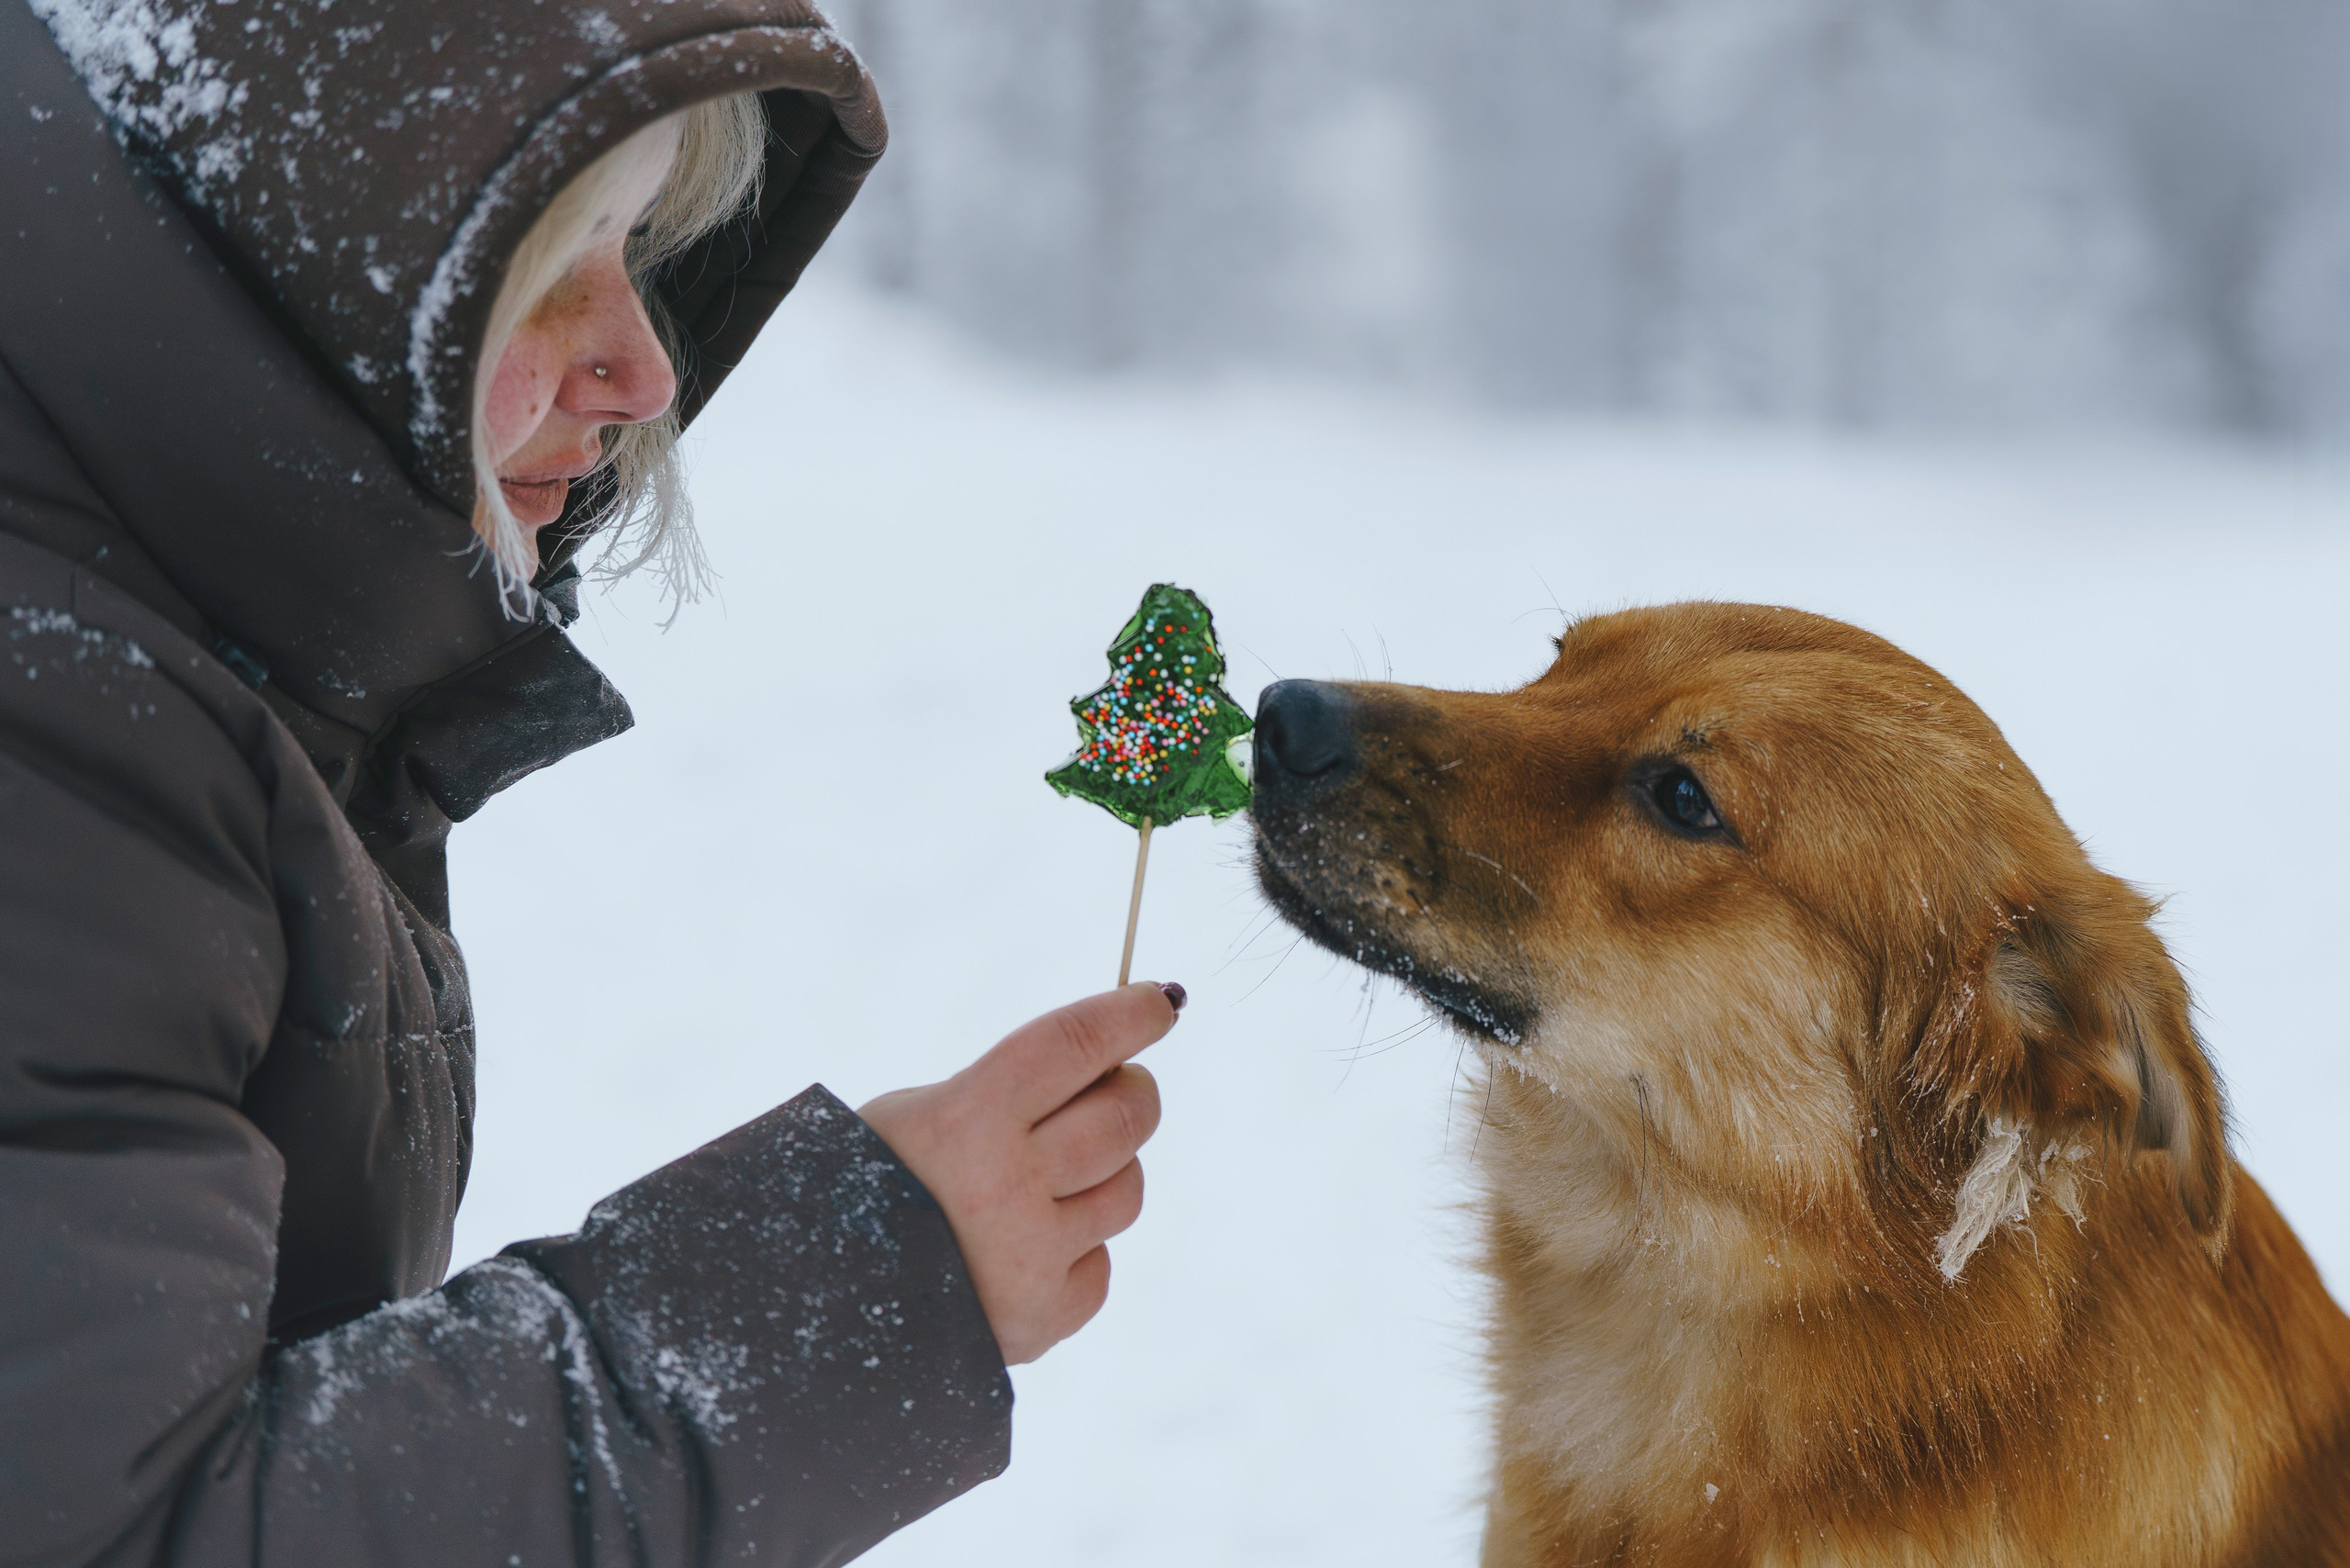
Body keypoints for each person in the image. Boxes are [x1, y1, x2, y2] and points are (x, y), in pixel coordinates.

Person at [0, 1, 1173, 1562]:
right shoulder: (53, 729)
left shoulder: (174, 648)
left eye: (638, 249)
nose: (644, 368)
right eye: (550, 262)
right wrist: (876, 1278)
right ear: (308, 258)